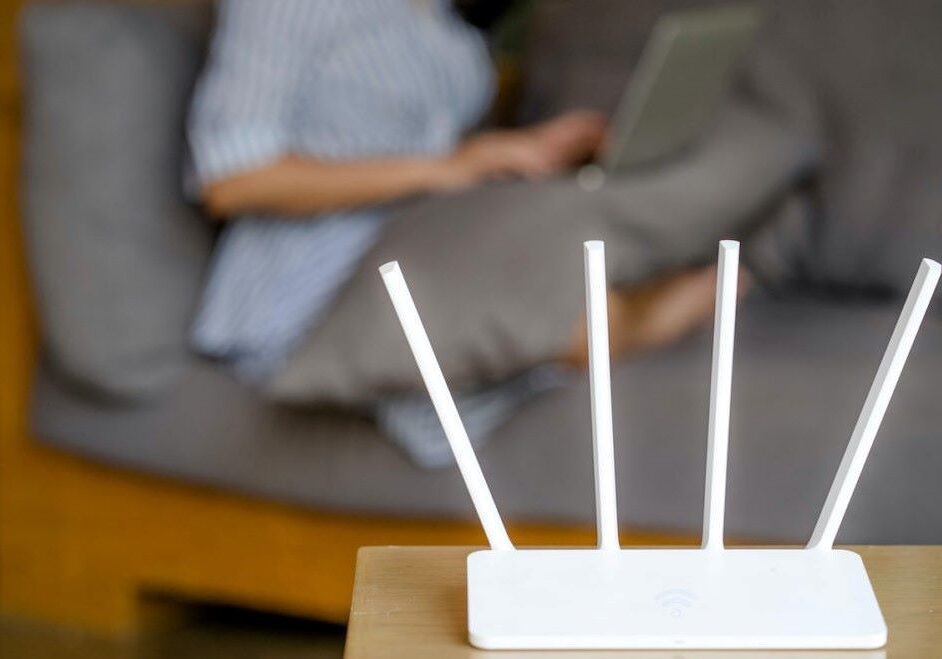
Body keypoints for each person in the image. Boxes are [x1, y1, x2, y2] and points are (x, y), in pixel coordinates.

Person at [187, 0, 721, 464]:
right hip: (308, 285)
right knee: (575, 322)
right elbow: (232, 177)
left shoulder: (436, 17)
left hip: (429, 243)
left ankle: (698, 290)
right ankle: (694, 300)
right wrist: (446, 167)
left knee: (580, 284)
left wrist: (527, 149)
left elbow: (444, 151)